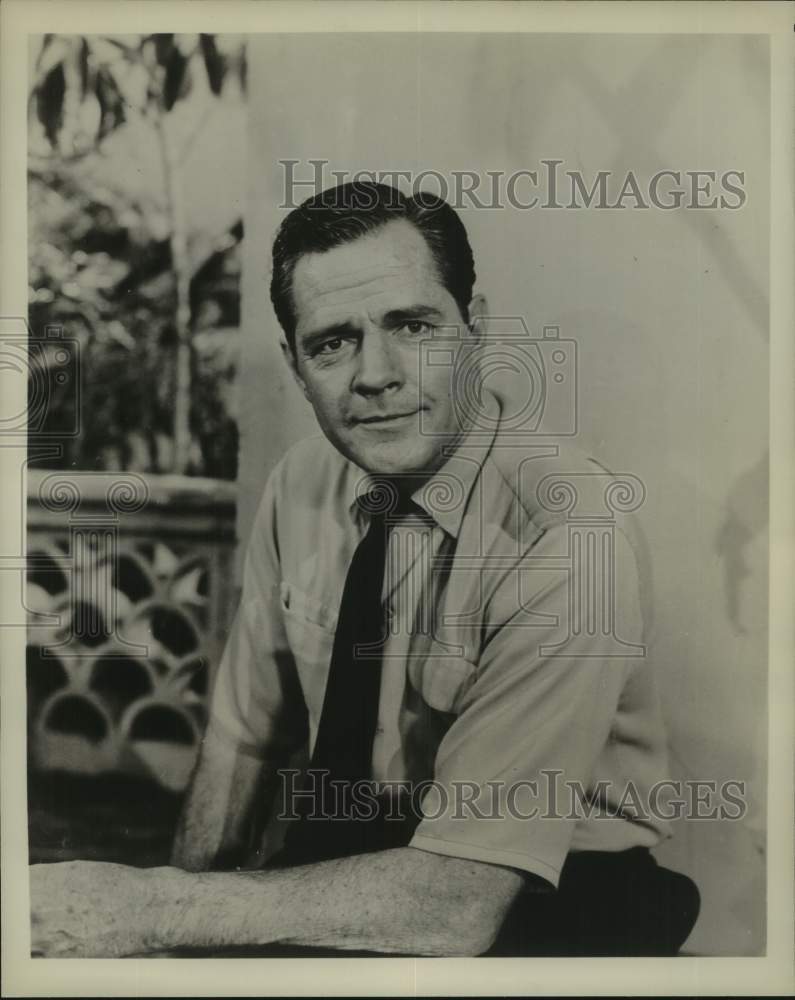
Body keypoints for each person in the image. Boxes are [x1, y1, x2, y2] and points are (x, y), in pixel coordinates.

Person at [30, 182, 699, 958]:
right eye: (331, 343)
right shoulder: (301, 483)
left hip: (545, 898)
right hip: (353, 869)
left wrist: (154, 907)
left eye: (412, 326)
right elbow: (242, 737)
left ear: (474, 329)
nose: (374, 374)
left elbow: (459, 903)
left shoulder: (563, 532)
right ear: (295, 363)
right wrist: (173, 961)